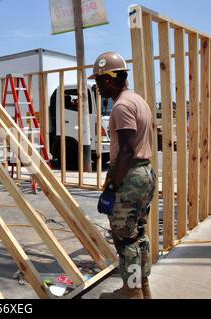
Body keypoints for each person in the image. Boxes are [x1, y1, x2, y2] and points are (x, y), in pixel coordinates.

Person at [89, 52, 157, 299]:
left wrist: (112, 187)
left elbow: (127, 149)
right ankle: (142, 285)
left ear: (108, 80)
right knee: (138, 233)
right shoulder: (138, 100)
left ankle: (131, 291)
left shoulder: (121, 106)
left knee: (124, 236)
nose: (97, 87)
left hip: (130, 176)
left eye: (98, 81)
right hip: (144, 174)